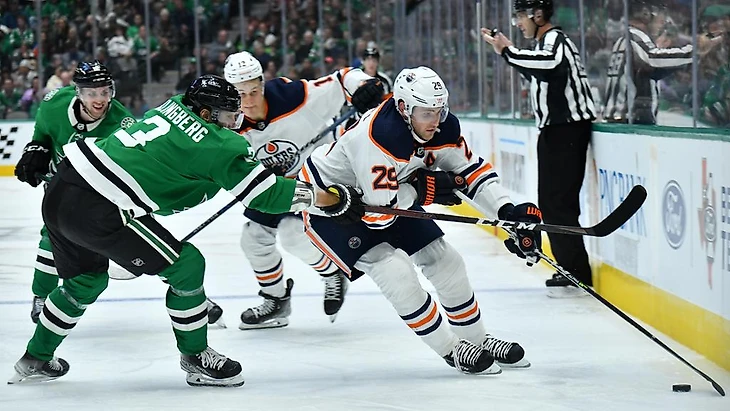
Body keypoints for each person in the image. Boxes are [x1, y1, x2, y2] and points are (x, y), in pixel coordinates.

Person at [8, 74, 363, 387]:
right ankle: (195, 357)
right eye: (228, 115)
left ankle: (35, 358)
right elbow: (266, 195)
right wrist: (329, 199)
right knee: (187, 266)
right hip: (100, 207)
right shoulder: (219, 145)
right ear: (207, 113)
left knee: (85, 282)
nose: (235, 121)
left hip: (63, 187)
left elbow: (180, 162)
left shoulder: (175, 105)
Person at [299, 66, 541, 374]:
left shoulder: (441, 126)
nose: (435, 121)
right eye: (427, 113)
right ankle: (451, 349)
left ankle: (477, 339)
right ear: (404, 108)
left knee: (446, 261)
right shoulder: (378, 137)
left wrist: (507, 212)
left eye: (439, 111)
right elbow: (379, 215)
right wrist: (421, 189)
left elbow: (470, 171)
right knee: (394, 270)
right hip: (333, 207)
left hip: (388, 195)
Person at [223, 51, 384, 328]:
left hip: (314, 178)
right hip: (271, 187)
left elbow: (343, 79)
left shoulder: (294, 96)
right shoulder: (227, 124)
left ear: (262, 83)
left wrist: (363, 85)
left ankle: (332, 272)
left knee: (293, 234)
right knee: (253, 238)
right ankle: (276, 300)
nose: (248, 101)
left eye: (253, 91)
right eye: (240, 94)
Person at [481, 0, 596, 296]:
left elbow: (548, 64)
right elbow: (540, 71)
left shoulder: (555, 39)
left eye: (521, 16)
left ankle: (575, 270)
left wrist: (507, 51)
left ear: (539, 14)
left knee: (558, 202)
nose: (518, 23)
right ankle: (571, 268)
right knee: (553, 202)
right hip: (556, 130)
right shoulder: (544, 44)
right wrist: (507, 52)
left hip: (566, 129)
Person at [602, 0, 693, 125]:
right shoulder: (635, 38)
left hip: (621, 122)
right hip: (627, 123)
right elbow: (653, 61)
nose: (664, 22)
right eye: (661, 14)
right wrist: (694, 52)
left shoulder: (625, 39)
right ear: (645, 14)